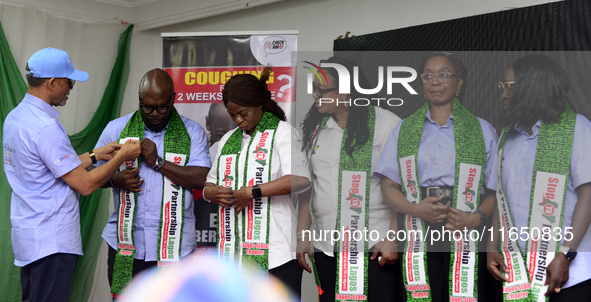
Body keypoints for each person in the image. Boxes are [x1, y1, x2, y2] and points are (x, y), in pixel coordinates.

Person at [3, 47, 141, 301]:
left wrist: (96, 155)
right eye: (69, 81)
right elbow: (85, 184)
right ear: (52, 82)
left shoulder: (16, 118)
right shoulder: (46, 128)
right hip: (52, 242)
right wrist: (123, 155)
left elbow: (50, 168)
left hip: (30, 239)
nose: (71, 88)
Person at [375, 51, 498, 302]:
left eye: (444, 75)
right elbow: (388, 185)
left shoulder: (483, 129)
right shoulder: (404, 129)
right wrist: (416, 209)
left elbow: (495, 190)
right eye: (428, 76)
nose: (435, 81)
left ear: (459, 82)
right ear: (421, 83)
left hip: (465, 228)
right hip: (418, 229)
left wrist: (476, 218)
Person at [93, 68, 211, 297]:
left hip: (175, 246)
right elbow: (90, 177)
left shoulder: (192, 132)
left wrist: (158, 161)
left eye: (162, 107)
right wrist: (114, 179)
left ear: (173, 100)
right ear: (139, 101)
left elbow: (202, 178)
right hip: (125, 244)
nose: (155, 113)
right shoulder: (117, 129)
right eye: (147, 107)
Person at [296, 56, 403, 301]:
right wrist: (303, 237)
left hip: (374, 247)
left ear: (346, 91)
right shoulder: (314, 129)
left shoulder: (386, 124)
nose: (314, 95)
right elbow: (308, 189)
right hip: (327, 248)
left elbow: (402, 185)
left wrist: (393, 238)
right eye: (313, 89)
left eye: (321, 90)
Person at [487, 54, 591, 301]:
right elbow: (499, 198)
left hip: (568, 271)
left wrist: (566, 255)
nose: (503, 94)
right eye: (502, 87)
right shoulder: (506, 137)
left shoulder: (577, 128)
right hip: (519, 270)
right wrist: (491, 247)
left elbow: (588, 194)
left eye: (510, 87)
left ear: (531, 87)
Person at [202, 66, 311, 296]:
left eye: (243, 113)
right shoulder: (229, 140)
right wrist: (209, 193)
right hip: (236, 254)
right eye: (233, 115)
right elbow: (210, 182)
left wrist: (253, 192)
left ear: (259, 104)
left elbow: (300, 179)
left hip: (277, 253)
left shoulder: (282, 133)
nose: (238, 120)